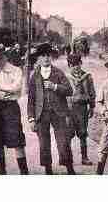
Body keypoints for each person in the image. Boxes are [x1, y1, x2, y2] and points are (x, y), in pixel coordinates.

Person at [27, 42, 76, 175]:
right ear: (38, 58)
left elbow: (70, 90)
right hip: (41, 114)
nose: (46, 58)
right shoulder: (34, 76)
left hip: (59, 112)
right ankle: (48, 169)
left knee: (63, 141)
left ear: (51, 57)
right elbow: (31, 99)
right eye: (43, 56)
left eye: (48, 55)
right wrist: (31, 118)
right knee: (44, 143)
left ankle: (69, 167)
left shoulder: (58, 73)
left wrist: (55, 87)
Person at [0, 44, 29, 175]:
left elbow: (16, 88)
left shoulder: (16, 71)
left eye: (0, 58)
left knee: (17, 140)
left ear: (5, 57)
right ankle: (1, 172)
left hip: (11, 108)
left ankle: (24, 172)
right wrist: (5, 91)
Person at [66, 54, 96, 166]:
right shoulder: (66, 77)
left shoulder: (87, 77)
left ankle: (84, 157)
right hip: (69, 109)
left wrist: (92, 106)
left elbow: (92, 93)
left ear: (81, 63)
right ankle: (68, 158)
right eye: (73, 65)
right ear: (69, 66)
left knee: (83, 133)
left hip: (82, 108)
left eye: (78, 64)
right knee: (68, 133)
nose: (76, 67)